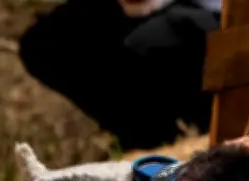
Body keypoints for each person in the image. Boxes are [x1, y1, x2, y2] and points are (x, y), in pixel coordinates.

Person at [18, 0, 221, 150]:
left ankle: (204, 125)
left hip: (204, 17)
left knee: (152, 41)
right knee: (43, 43)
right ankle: (145, 137)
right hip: (129, 17)